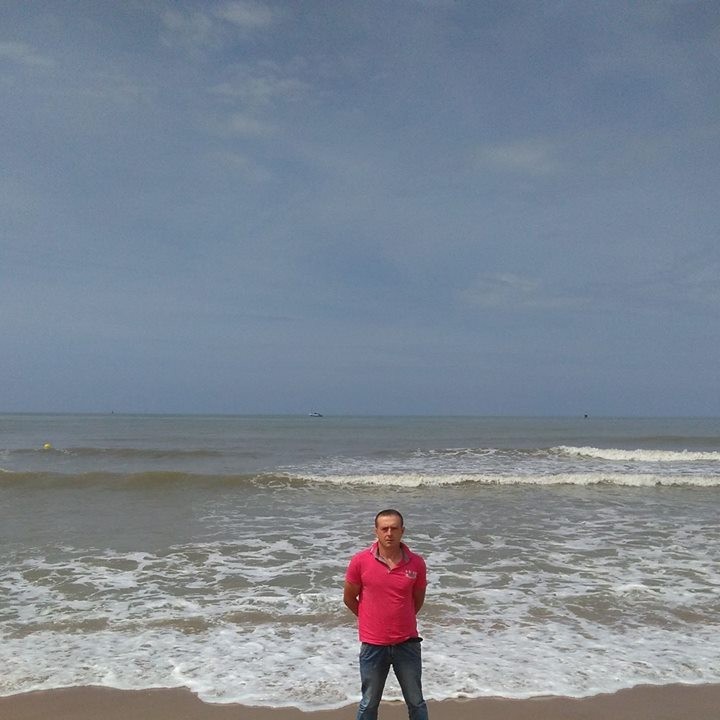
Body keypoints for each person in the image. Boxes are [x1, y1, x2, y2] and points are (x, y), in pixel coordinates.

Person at [344, 509, 429, 720]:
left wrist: (400, 620)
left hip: (407, 644)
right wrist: (370, 620)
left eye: (394, 528)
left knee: (416, 702)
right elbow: (349, 598)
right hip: (373, 645)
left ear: (402, 531)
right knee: (368, 703)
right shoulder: (360, 561)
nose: (389, 533)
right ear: (376, 531)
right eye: (384, 529)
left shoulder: (416, 563)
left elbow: (417, 600)